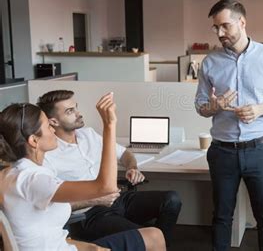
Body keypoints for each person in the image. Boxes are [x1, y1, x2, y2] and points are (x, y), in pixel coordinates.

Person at [0, 94, 165, 251]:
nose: (53, 130)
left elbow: (38, 236)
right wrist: (109, 125)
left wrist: (89, 247)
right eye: (48, 126)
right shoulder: (32, 179)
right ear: (34, 140)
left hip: (63, 245)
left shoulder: (13, 173)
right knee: (154, 237)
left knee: (151, 232)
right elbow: (106, 187)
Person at [195, 0, 263, 251]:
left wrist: (260, 109)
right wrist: (214, 107)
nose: (220, 33)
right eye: (216, 28)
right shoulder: (210, 62)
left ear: (242, 22)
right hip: (222, 151)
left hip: (259, 150)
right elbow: (201, 106)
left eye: (225, 26)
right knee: (221, 216)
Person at [36, 90, 181, 246]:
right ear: (53, 122)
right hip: (89, 214)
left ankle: (162, 245)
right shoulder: (49, 155)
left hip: (116, 199)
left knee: (172, 199)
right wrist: (95, 199)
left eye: (76, 107)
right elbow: (54, 206)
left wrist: (132, 168)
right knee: (147, 236)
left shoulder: (89, 134)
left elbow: (125, 153)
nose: (78, 113)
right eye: (70, 111)